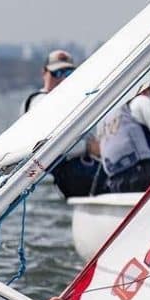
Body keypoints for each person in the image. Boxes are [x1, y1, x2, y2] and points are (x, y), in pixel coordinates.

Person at [22, 49, 102, 197]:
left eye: (68, 74)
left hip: (81, 173)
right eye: (57, 73)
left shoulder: (68, 103)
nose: (62, 79)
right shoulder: (39, 102)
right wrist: (87, 147)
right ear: (44, 72)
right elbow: (46, 145)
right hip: (58, 179)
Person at [96, 79, 150, 194]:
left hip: (116, 182)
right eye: (149, 90)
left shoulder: (104, 119)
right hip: (142, 174)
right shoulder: (140, 101)